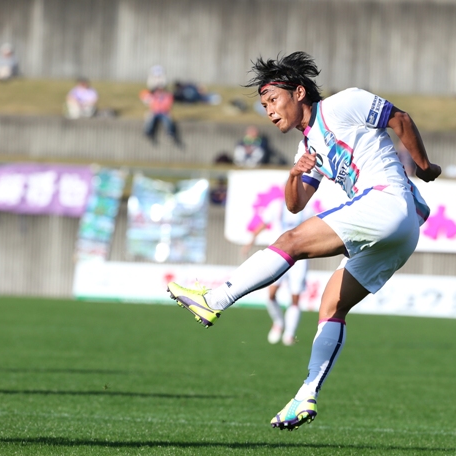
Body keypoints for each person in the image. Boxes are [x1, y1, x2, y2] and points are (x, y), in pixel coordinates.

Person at [166, 51, 441, 430]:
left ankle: (214, 300)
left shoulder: (343, 104)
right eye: (264, 106)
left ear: (298, 93)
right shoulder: (307, 148)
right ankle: (306, 395)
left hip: (386, 201)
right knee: (331, 306)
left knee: (291, 242)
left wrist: (424, 167)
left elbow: (400, 119)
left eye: (272, 100)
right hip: (403, 232)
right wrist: (295, 175)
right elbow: (295, 204)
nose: (269, 111)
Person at [242, 193, 317, 346]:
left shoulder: (307, 208)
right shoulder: (276, 206)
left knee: (295, 297)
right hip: (278, 255)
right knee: (270, 294)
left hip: (299, 258)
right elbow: (263, 223)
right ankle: (278, 322)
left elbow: (315, 229)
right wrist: (250, 242)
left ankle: (290, 334)